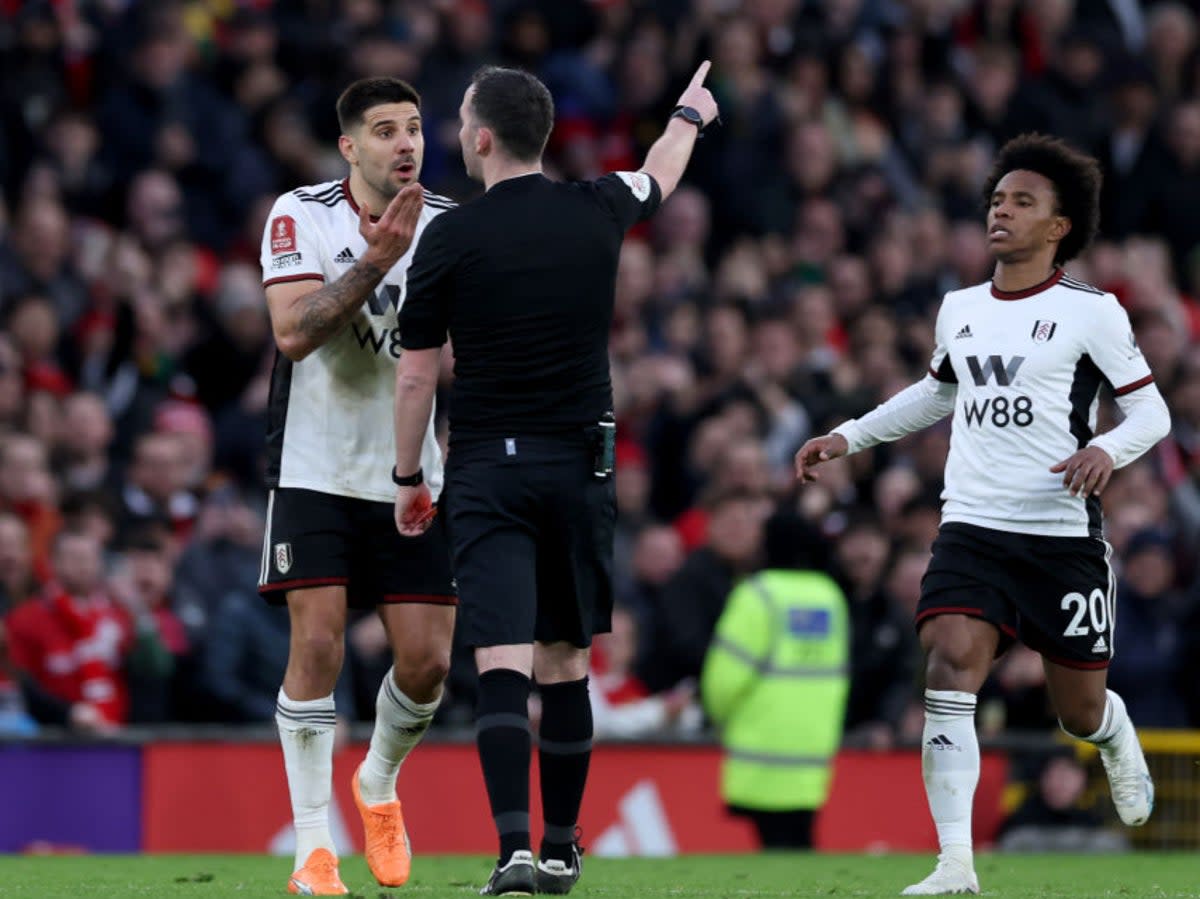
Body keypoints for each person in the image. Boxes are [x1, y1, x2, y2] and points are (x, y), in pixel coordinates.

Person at [794, 134, 1170, 895]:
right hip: (972, 525)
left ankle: (1112, 729)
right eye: (998, 198)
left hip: (1061, 533)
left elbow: (1151, 412)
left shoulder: (1092, 313)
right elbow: (938, 392)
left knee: (1077, 711)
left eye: (1022, 201)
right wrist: (850, 435)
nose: (1002, 209)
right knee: (948, 663)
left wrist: (1107, 450)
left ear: (1059, 226)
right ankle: (955, 864)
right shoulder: (959, 307)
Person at [390, 64, 719, 895]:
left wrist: (407, 475)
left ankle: (511, 851)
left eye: (462, 120)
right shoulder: (597, 205)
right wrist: (689, 109)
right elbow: (664, 167)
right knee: (566, 660)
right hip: (581, 465)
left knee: (503, 659)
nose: (457, 133)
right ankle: (566, 845)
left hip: (488, 472)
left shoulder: (451, 236)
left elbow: (416, 377)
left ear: (484, 138)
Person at [257, 77, 457, 896]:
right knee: (318, 644)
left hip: (410, 468)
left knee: (427, 663)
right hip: (314, 464)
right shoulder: (299, 213)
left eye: (413, 128)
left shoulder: (448, 224)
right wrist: (377, 259)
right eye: (384, 131)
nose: (405, 144)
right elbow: (294, 333)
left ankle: (376, 781)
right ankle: (313, 850)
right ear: (350, 147)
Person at [700, 513, 850, 850]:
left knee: (774, 848)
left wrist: (717, 717)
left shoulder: (758, 595)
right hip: (813, 750)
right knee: (799, 842)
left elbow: (724, 680)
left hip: (759, 751)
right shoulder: (830, 597)